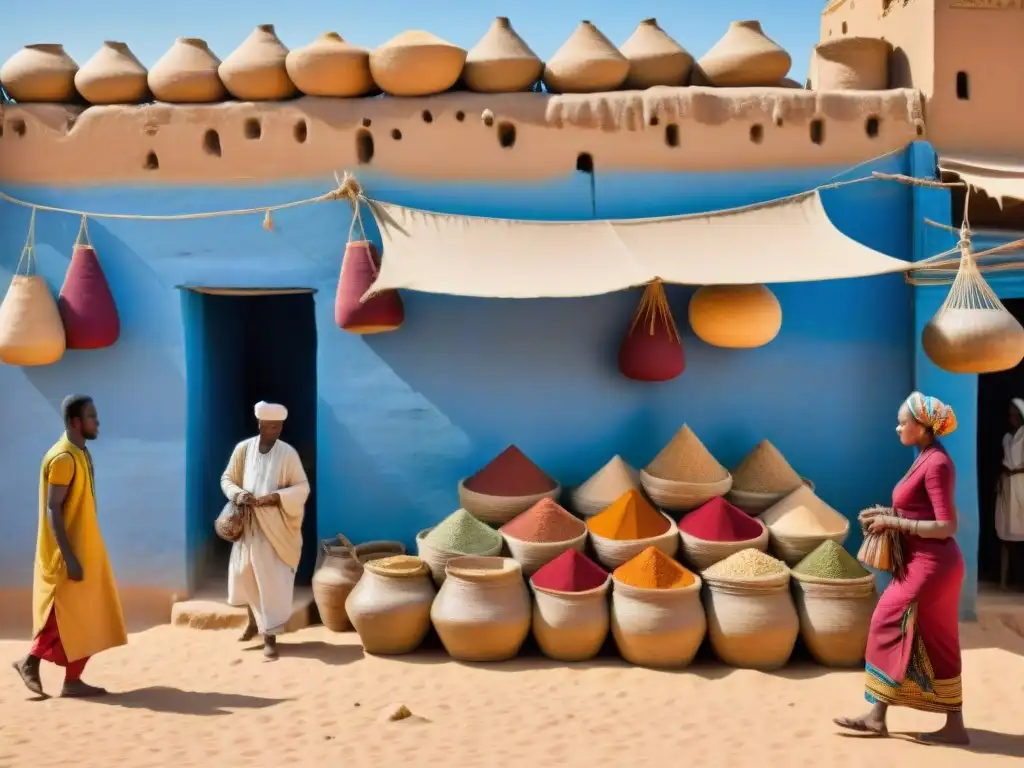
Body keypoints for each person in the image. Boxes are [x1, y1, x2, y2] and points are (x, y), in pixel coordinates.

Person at [834, 392, 968, 745]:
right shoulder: (926, 457)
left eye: (903, 422)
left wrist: (898, 525)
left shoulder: (937, 463)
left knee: (885, 621)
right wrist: (888, 517)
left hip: (932, 567)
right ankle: (950, 725)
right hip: (924, 565)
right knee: (936, 639)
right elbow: (920, 513)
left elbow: (946, 525)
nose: (897, 427)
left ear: (923, 428)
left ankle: (880, 716)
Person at [11, 395, 127, 697]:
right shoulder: (63, 458)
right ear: (75, 422)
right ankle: (30, 661)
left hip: (86, 549)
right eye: (91, 416)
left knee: (88, 615)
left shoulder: (80, 453)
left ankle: (72, 680)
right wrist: (69, 557)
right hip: (67, 554)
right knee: (60, 615)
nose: (96, 421)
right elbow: (54, 508)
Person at [220, 401, 309, 659]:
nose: (275, 431)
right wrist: (239, 495)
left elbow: (302, 487)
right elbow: (227, 478)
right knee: (246, 574)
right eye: (270, 426)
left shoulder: (288, 453)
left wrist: (277, 497)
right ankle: (252, 622)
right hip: (247, 526)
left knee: (269, 581)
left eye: (279, 426)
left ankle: (270, 636)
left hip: (276, 529)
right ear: (260, 424)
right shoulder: (243, 449)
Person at [995, 398, 1024, 588]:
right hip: (1006, 484)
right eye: (1010, 414)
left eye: (1016, 414)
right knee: (1005, 531)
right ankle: (1004, 581)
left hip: (1021, 483)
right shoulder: (1006, 437)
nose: (1012, 417)